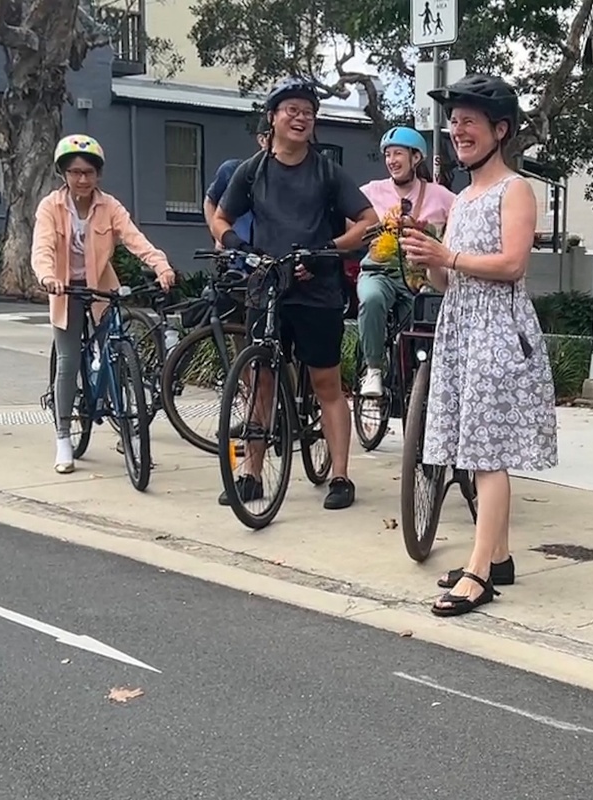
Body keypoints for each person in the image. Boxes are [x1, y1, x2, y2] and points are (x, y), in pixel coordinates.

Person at [400, 74, 558, 618]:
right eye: (454, 121)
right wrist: (428, 261)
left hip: (496, 331)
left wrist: (447, 259)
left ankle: (478, 571)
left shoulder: (515, 190)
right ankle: (500, 557)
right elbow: (452, 281)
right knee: (473, 448)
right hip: (462, 327)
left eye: (469, 121)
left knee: (487, 456)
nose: (457, 130)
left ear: (500, 129)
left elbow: (513, 265)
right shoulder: (463, 198)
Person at [210, 76, 378, 511]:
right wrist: (235, 246)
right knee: (261, 382)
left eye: (308, 111)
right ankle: (250, 475)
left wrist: (328, 250)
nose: (301, 118)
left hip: (316, 288)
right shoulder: (254, 169)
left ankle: (340, 475)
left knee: (326, 383)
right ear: (273, 117)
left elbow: (368, 220)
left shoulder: (326, 170)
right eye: (292, 110)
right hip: (266, 286)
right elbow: (220, 216)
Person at [30, 135, 177, 474]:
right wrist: (48, 276)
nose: (82, 179)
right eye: (75, 172)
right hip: (65, 290)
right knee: (67, 361)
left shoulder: (109, 206)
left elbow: (135, 239)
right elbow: (43, 248)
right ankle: (64, 436)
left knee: (116, 353)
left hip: (101, 290)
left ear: (98, 175)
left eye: (89, 172)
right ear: (63, 174)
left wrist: (161, 265)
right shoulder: (50, 207)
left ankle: (128, 434)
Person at [356, 126, 456, 397]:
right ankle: (373, 370)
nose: (391, 160)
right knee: (372, 299)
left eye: (398, 153)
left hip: (421, 278)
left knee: (421, 328)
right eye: (387, 154)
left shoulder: (441, 196)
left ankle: (419, 385)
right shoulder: (370, 191)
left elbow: (462, 224)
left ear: (416, 158)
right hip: (379, 271)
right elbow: (346, 222)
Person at [203, 116, 271, 268]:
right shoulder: (233, 170)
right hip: (238, 258)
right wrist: (219, 236)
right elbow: (210, 201)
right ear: (261, 140)